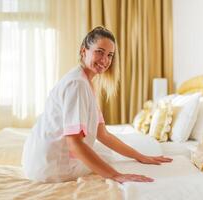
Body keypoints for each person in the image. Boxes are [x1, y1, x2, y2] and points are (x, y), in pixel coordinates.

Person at [21, 26, 172, 183]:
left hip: (38, 160)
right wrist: (116, 175)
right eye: (99, 52)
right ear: (83, 51)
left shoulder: (85, 82)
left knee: (103, 151)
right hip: (52, 167)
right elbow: (74, 143)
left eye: (110, 55)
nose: (105, 60)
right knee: (106, 156)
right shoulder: (77, 84)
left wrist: (141, 156)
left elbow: (103, 134)